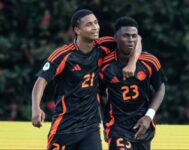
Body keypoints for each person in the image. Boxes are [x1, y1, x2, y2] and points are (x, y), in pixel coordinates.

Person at [31, 9, 141, 150]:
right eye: (89, 24)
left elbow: (137, 39)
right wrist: (36, 108)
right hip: (64, 126)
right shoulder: (63, 54)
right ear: (77, 30)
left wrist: (132, 62)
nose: (95, 27)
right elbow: (41, 81)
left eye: (96, 22)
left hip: (90, 127)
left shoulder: (103, 45)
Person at [99, 16, 166, 150]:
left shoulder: (150, 61)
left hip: (142, 124)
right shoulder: (105, 65)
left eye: (134, 36)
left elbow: (160, 88)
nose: (130, 40)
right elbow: (100, 96)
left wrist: (148, 116)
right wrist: (104, 124)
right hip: (117, 126)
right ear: (116, 38)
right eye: (126, 36)